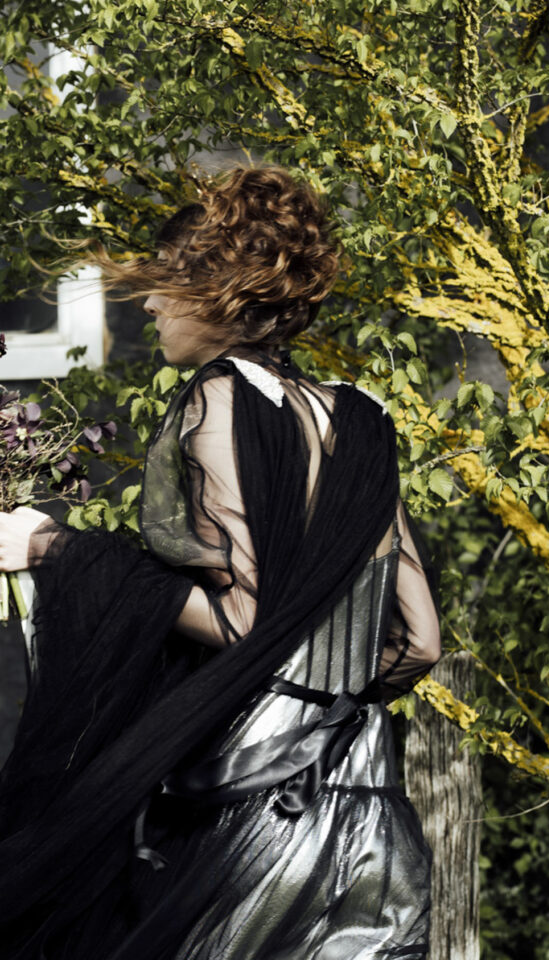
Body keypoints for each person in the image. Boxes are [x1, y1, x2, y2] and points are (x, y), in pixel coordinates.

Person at [0, 164, 441, 959]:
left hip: (249, 819)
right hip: (374, 815)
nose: (150, 304)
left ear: (217, 294)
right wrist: (326, 698)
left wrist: (52, 547)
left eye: (166, 283)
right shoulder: (361, 416)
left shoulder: (219, 397)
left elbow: (242, 621)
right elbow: (419, 642)